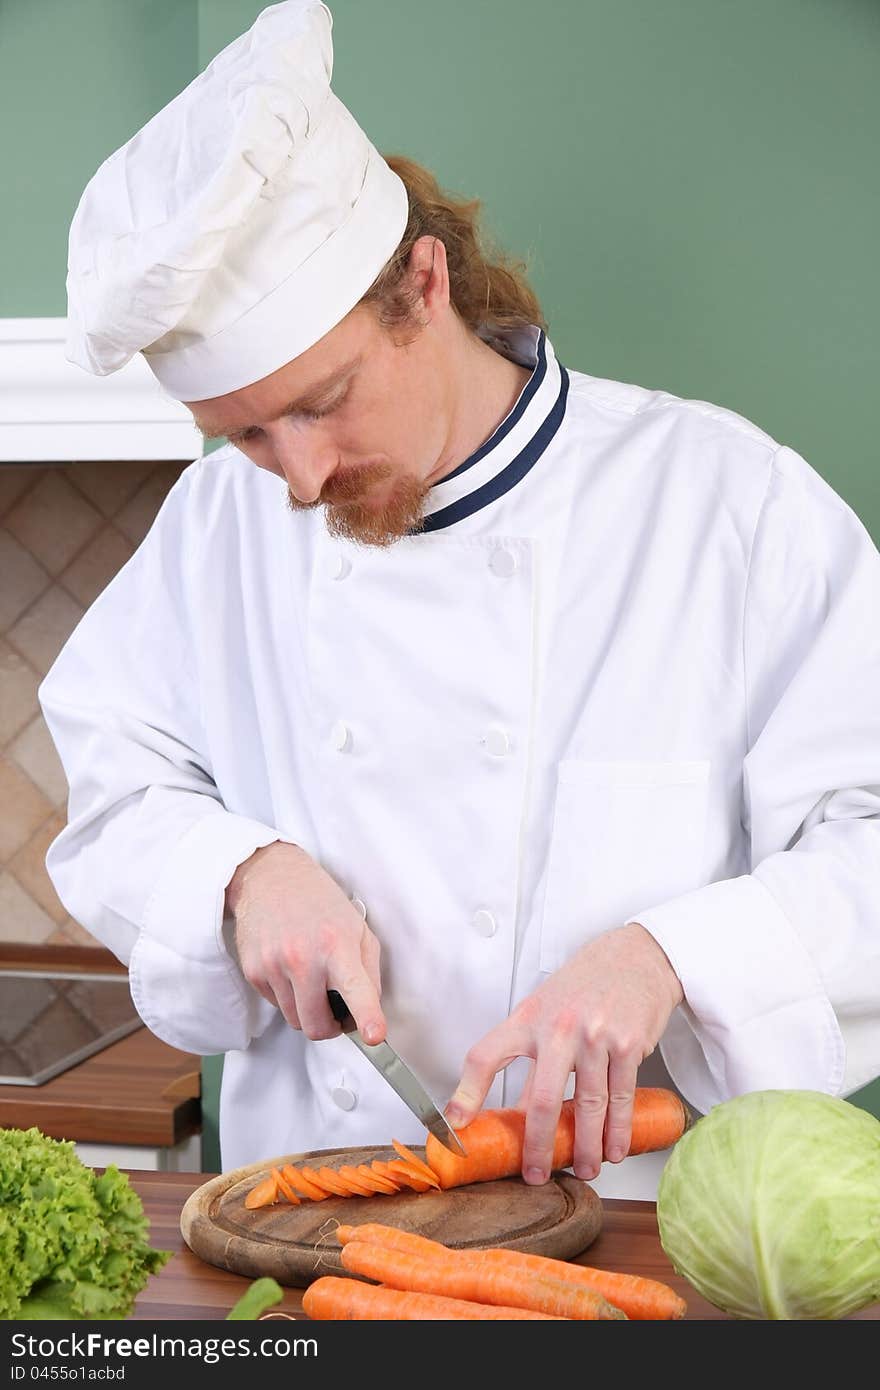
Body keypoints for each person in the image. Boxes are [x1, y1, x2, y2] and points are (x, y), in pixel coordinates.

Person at [41, 0, 880, 1200]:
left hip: (639, 1233)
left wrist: (671, 957)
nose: (302, 478)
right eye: (244, 435)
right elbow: (117, 793)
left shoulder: (724, 504)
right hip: (315, 1230)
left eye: (324, 400)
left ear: (422, 285)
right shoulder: (213, 526)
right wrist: (240, 873)